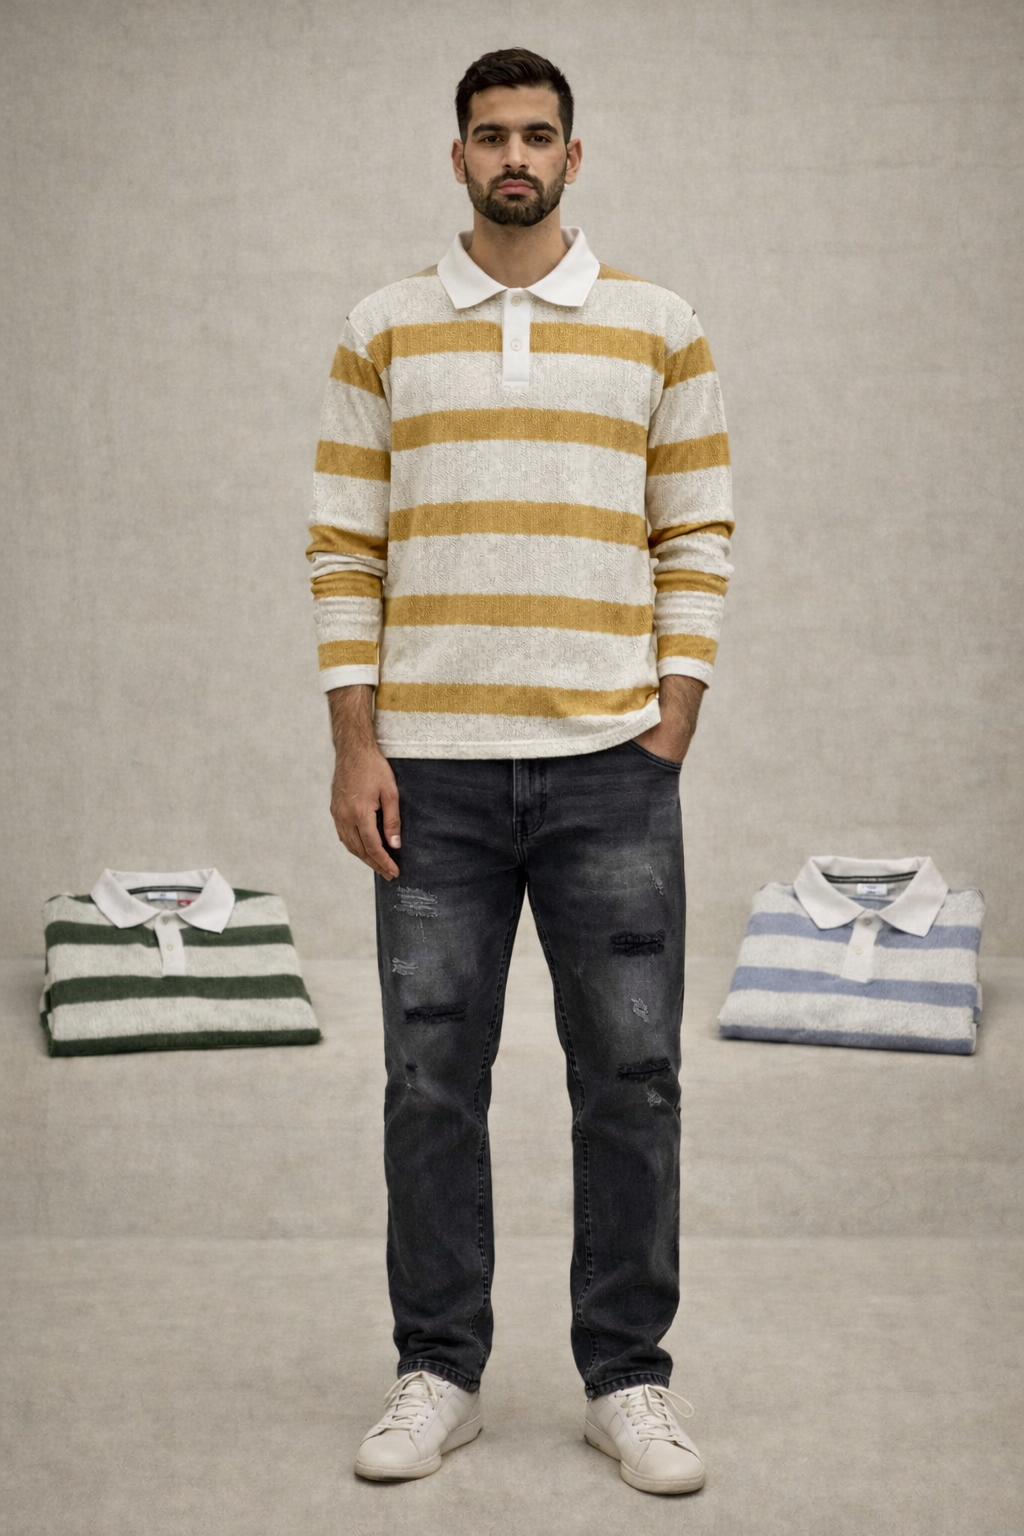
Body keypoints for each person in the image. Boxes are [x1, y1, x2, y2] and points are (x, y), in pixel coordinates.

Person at [307, 46, 733, 1496]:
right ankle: (439, 1371)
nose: (514, 157)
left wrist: (671, 714)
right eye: (490, 136)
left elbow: (697, 526)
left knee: (633, 1081)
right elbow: (343, 545)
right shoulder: (382, 328)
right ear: (458, 156)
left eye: (537, 136)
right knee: (431, 1084)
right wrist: (356, 741)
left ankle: (629, 1378)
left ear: (572, 155)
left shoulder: (660, 326)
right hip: (430, 775)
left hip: (611, 765)